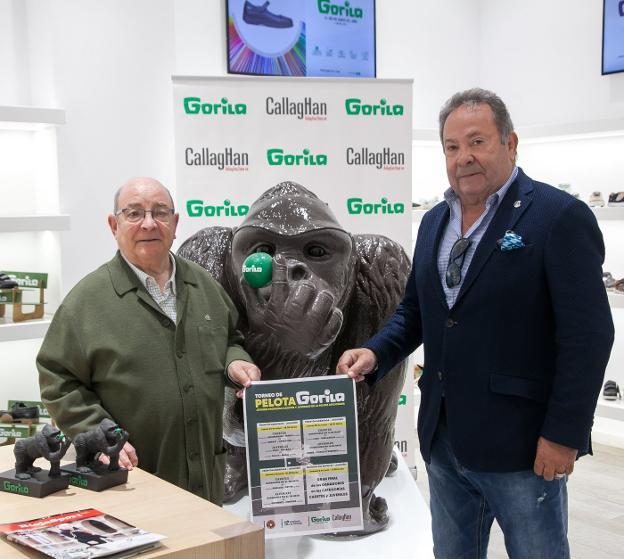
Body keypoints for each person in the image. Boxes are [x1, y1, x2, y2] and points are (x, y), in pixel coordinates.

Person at [337, 88, 614, 558]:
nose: (463, 157)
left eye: (477, 142)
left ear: (510, 143)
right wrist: (377, 352)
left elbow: (589, 336)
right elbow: (417, 313)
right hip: (444, 440)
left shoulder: (558, 217)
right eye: (451, 146)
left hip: (524, 449)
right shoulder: (432, 224)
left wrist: (564, 434)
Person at [37, 177, 260, 505]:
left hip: (206, 482)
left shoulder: (204, 285)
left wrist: (235, 361)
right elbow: (58, 379)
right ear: (114, 225)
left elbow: (230, 338)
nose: (149, 223)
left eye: (160, 213)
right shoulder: (86, 302)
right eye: (134, 213)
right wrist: (97, 431)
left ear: (175, 223)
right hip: (130, 481)